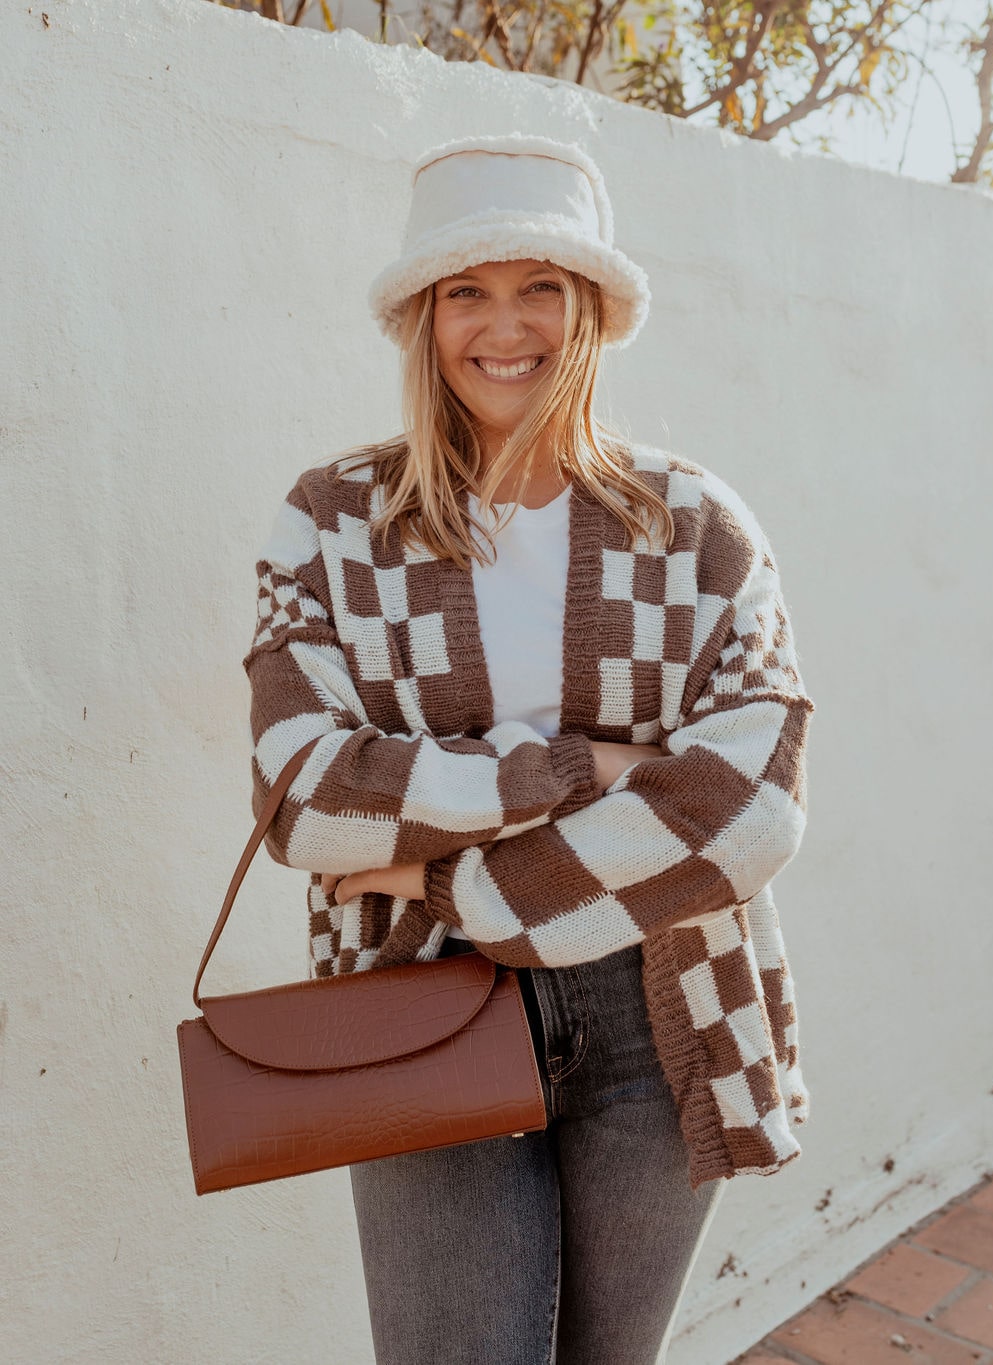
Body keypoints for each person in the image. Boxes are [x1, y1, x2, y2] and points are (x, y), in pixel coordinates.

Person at [245, 134, 814, 1365]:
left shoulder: (698, 525)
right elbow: (302, 793)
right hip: (413, 997)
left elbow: (753, 803)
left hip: (659, 1003)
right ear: (423, 317)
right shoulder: (334, 520)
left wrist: (454, 878)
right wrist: (577, 770)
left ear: (594, 309)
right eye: (467, 291)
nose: (504, 328)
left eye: (540, 287)